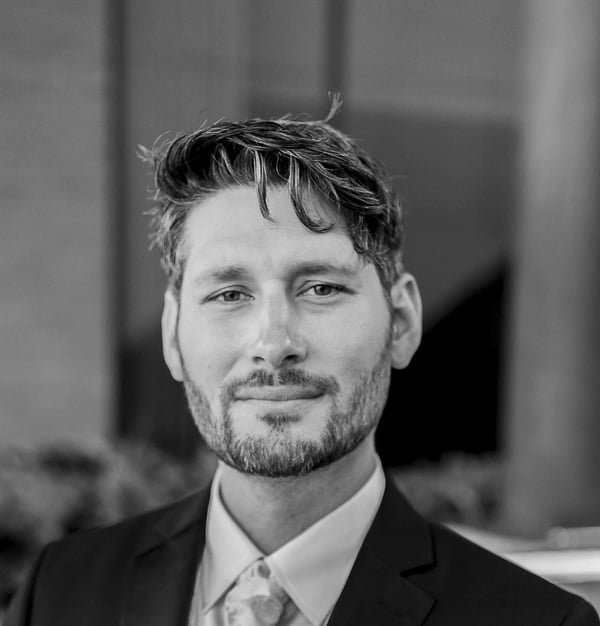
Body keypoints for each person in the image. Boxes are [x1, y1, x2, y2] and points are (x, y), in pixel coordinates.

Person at [6, 110, 599, 626]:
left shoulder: (536, 621)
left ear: (402, 322)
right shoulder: (61, 590)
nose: (274, 342)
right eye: (229, 294)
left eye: (319, 287)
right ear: (171, 333)